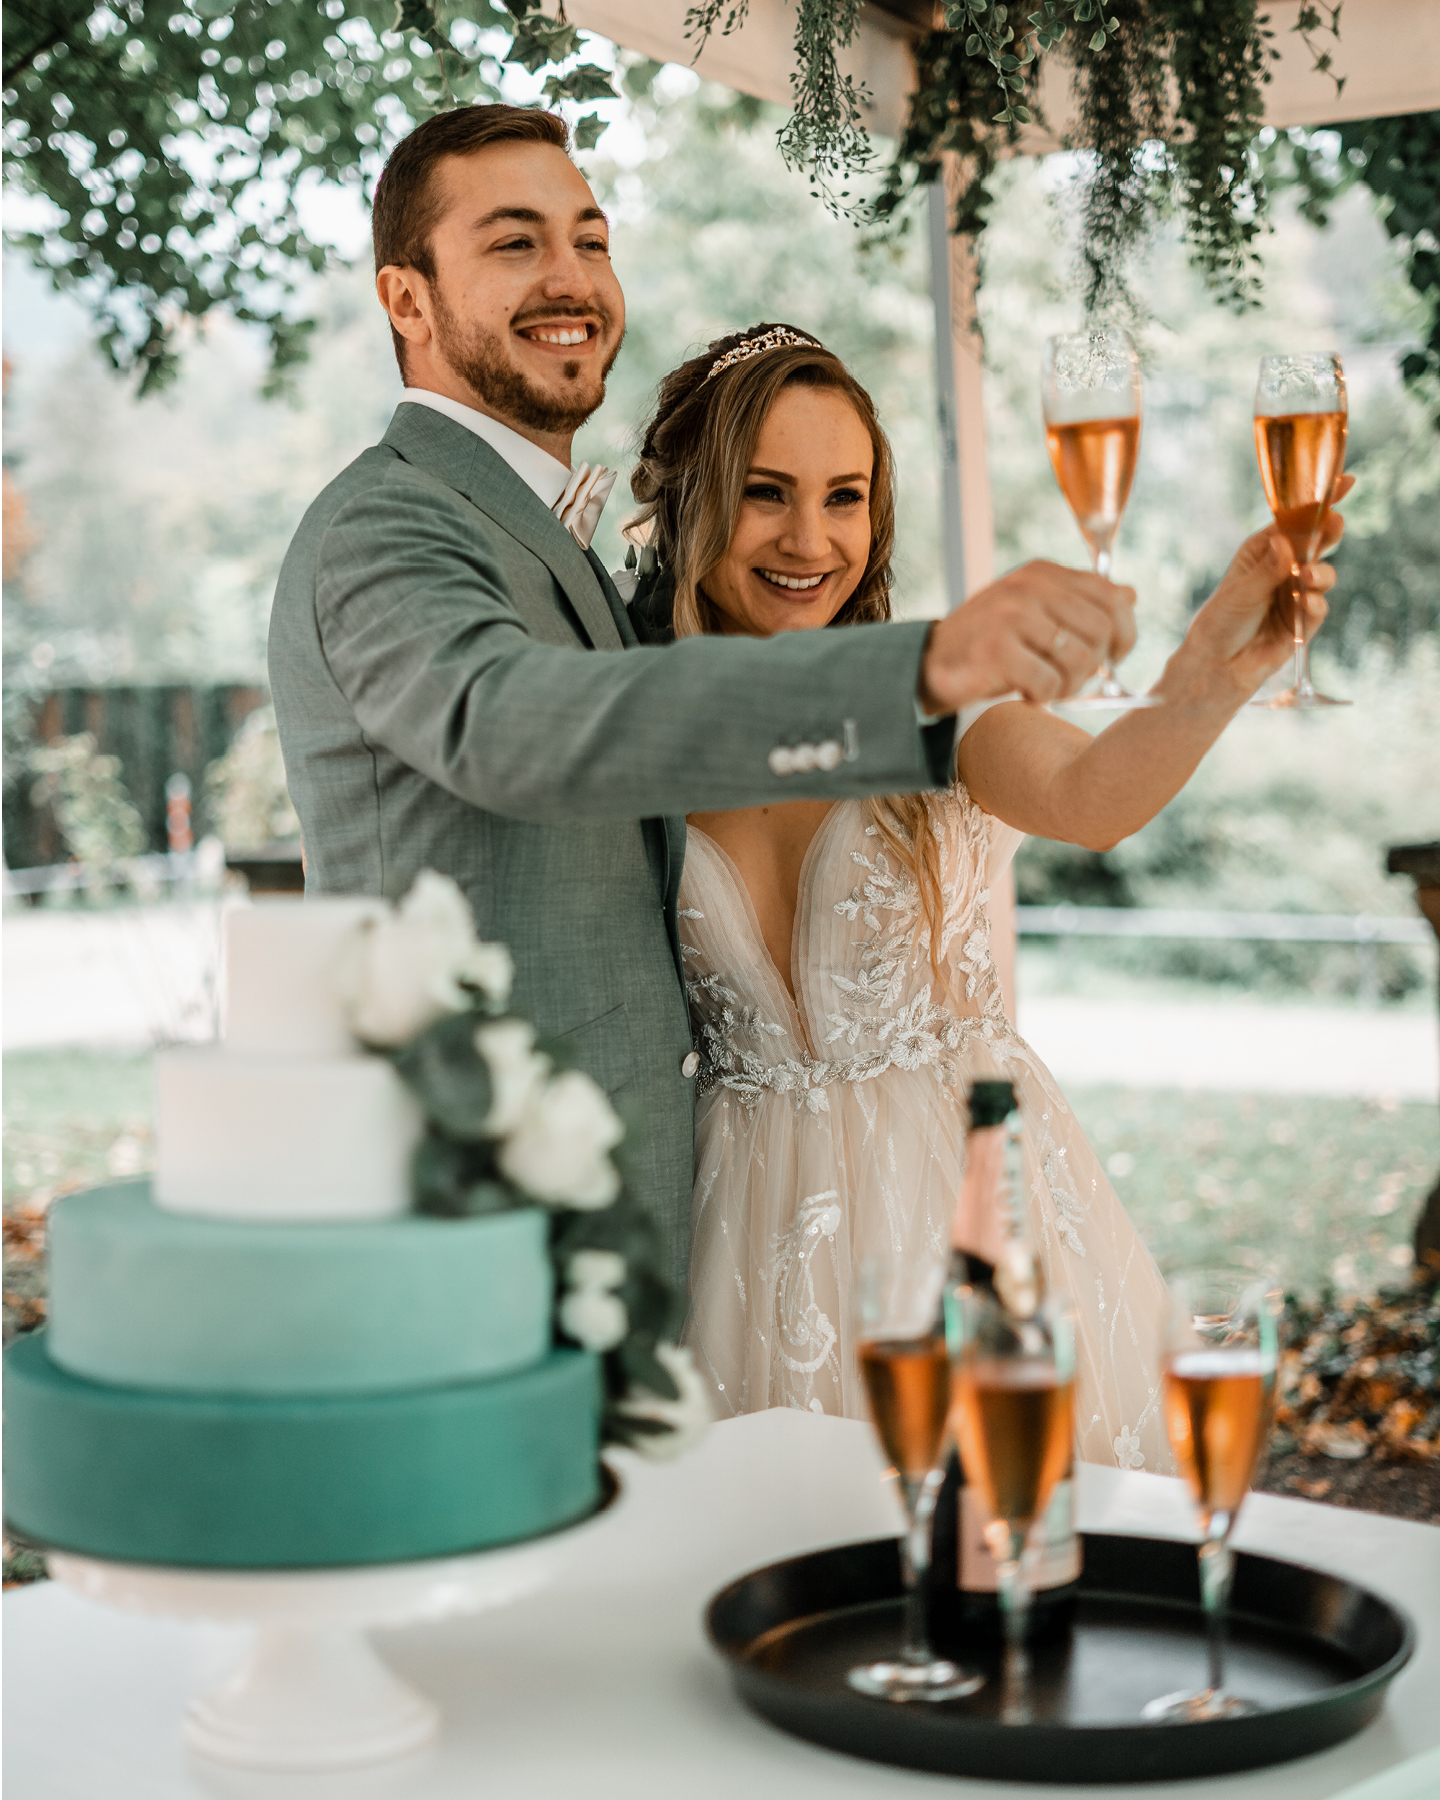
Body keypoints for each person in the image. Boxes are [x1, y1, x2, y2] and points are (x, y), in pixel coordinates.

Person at [268, 104, 1137, 1297]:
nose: (570, 277)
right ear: (407, 301)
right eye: (514, 243)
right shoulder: (390, 521)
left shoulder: (540, 538)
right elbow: (519, 723)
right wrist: (919, 669)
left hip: (639, 1230)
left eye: (591, 238)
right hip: (462, 1225)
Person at [625, 325, 1347, 1471]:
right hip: (735, 1228)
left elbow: (1091, 794)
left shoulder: (930, 698)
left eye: (845, 497)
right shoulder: (626, 737)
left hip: (957, 1204)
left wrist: (1208, 678)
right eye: (766, 495)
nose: (811, 539)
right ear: (689, 509)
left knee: (1006, 1553)